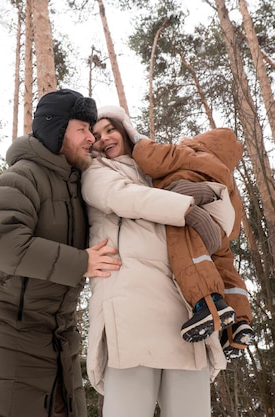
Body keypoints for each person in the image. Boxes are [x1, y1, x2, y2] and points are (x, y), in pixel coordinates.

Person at [0, 89, 121, 417]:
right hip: (12, 330)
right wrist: (82, 262)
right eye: (81, 129)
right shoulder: (21, 177)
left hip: (61, 336)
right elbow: (4, 242)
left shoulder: (78, 186)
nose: (90, 138)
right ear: (56, 129)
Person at [81, 105, 228, 417]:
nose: (104, 139)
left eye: (110, 130)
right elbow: (125, 198)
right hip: (130, 307)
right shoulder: (96, 174)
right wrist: (186, 208)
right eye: (96, 136)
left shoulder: (160, 174)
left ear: (126, 131)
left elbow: (223, 228)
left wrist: (209, 193)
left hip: (185, 311)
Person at [129, 114, 255, 361]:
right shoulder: (227, 175)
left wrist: (137, 139)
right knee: (226, 266)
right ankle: (238, 324)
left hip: (187, 197)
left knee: (182, 236)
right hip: (218, 227)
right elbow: (234, 229)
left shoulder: (189, 152)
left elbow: (150, 159)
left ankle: (208, 303)